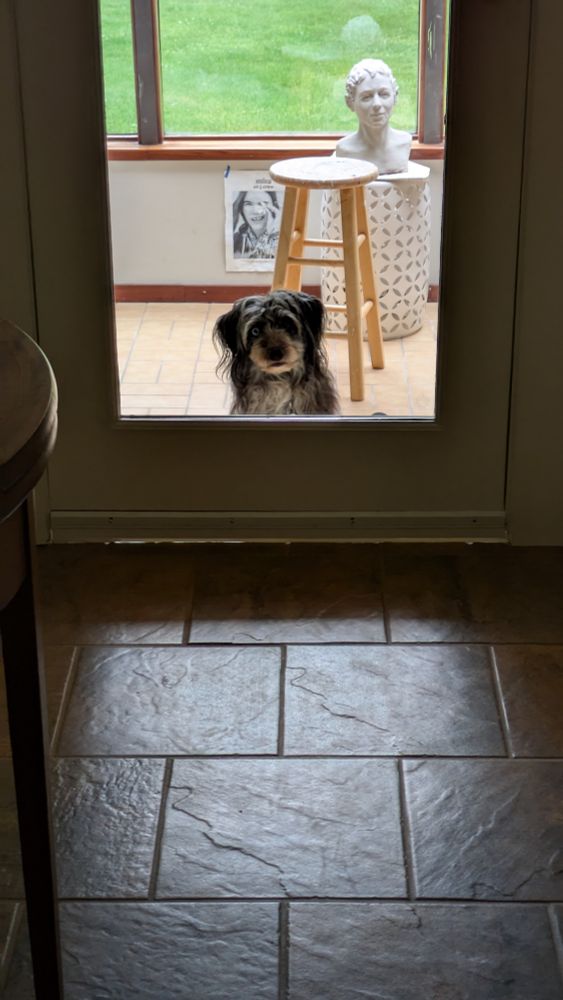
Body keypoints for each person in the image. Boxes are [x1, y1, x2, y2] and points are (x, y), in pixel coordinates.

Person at [335, 58, 412, 175]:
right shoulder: (345, 150)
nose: (377, 104)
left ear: (395, 97)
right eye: (366, 97)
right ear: (350, 102)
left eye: (384, 94)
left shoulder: (404, 143)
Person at [232, 190, 281, 259]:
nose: (255, 211)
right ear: (241, 209)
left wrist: (274, 235)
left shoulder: (282, 240)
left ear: (274, 208)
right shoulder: (233, 240)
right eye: (248, 204)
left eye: (264, 203)